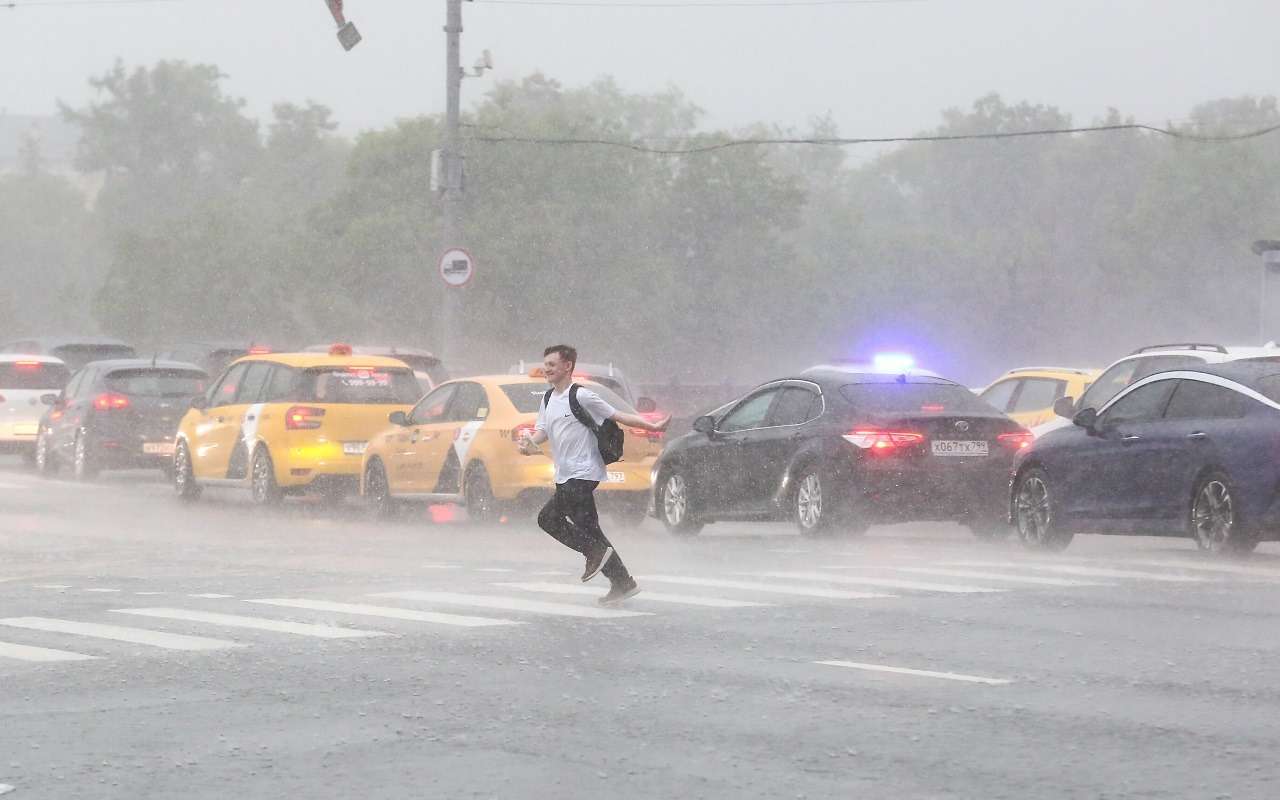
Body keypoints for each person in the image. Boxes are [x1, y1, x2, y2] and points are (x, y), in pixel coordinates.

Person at [519, 345, 671, 606]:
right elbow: (542, 429)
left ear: (568, 366)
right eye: (545, 364)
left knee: (548, 518)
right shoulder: (547, 398)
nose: (547, 369)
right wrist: (530, 442)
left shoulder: (581, 396)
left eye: (552, 365)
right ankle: (623, 582)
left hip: (584, 471)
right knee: (589, 528)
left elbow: (617, 415)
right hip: (565, 472)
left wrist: (651, 425)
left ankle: (593, 552)